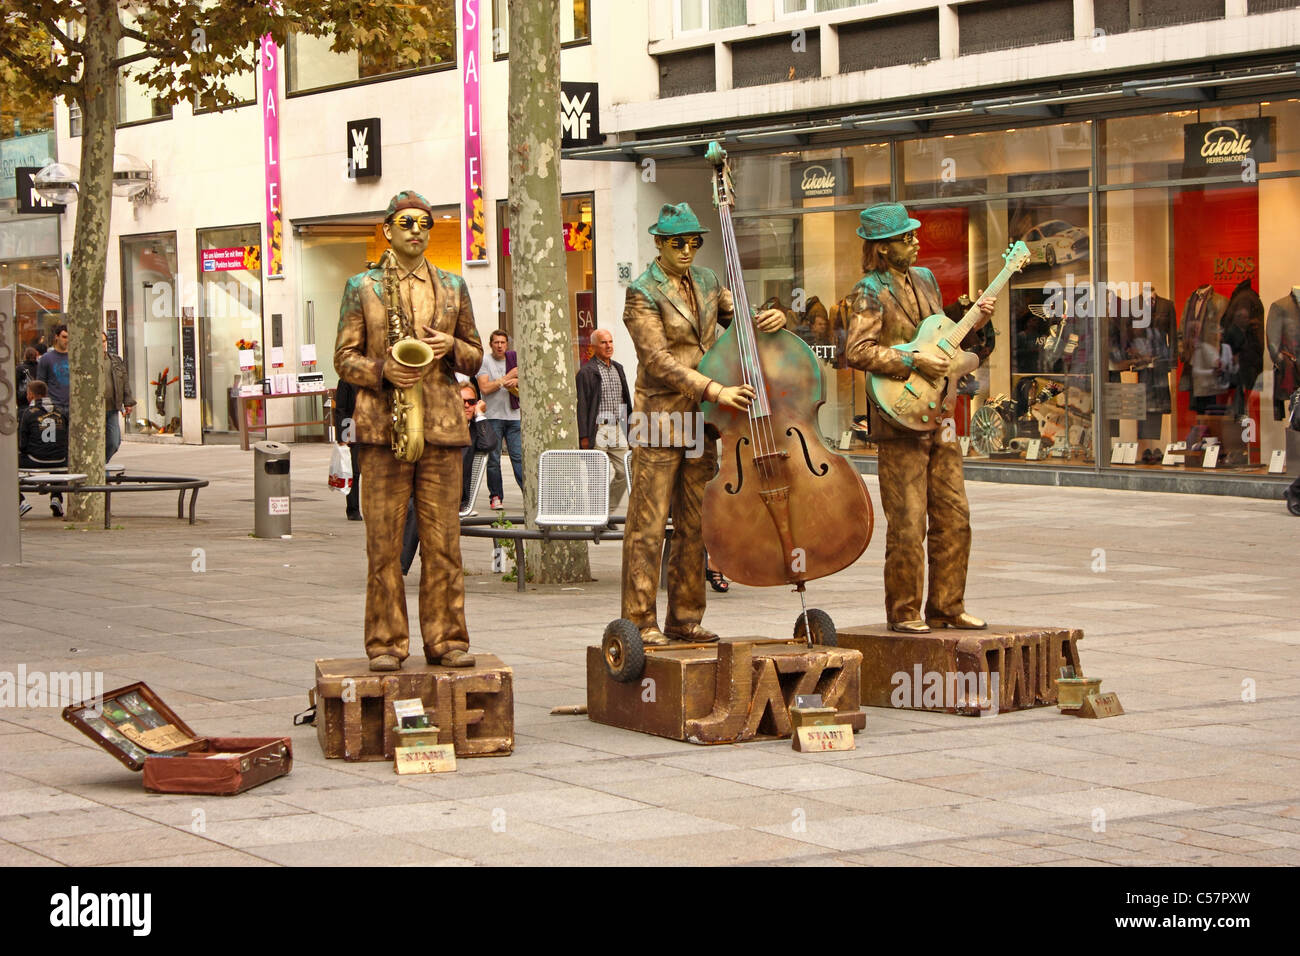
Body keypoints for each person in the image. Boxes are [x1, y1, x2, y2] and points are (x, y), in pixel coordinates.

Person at [621, 202, 785, 646]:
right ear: (659, 242)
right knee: (648, 526)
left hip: (703, 423)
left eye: (695, 241)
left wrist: (769, 319)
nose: (688, 249)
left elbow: (740, 328)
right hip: (657, 419)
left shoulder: (710, 281)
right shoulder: (642, 291)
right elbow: (657, 361)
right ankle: (638, 622)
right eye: (679, 242)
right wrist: (714, 389)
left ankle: (685, 618)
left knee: (696, 525)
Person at [334, 190, 484, 672]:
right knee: (383, 544)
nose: (416, 230)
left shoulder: (454, 285)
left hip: (440, 425)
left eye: (424, 222)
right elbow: (343, 357)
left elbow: (476, 355)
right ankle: (385, 644)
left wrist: (452, 346)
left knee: (445, 543)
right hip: (383, 428)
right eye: (406, 222)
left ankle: (447, 640)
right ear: (388, 230)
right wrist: (381, 372)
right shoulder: (362, 286)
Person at [844, 202, 993, 634]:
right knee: (908, 525)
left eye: (913, 235)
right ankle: (905, 612)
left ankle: (948, 606)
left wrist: (977, 324)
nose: (915, 242)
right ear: (883, 249)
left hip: (939, 412)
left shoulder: (926, 279)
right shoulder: (867, 290)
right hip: (898, 417)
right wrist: (912, 363)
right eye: (905, 238)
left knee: (955, 516)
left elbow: (938, 336)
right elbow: (858, 351)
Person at [402, 382, 498, 575]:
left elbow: (489, 443)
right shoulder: (440, 429)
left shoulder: (474, 431)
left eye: (471, 402)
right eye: (461, 402)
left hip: (453, 495)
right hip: (430, 489)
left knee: (416, 506)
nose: (466, 406)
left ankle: (399, 566)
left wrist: (480, 415)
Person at [576, 328, 632, 514]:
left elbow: (625, 401)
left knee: (625, 471)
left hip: (617, 428)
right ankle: (597, 517)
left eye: (610, 342)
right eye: (603, 342)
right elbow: (582, 405)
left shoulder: (619, 368)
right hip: (598, 429)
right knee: (598, 476)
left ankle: (606, 511)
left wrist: (629, 430)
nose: (608, 346)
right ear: (593, 346)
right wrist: (584, 435)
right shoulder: (586, 372)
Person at [476, 330, 523, 510]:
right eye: (496, 342)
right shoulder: (485, 361)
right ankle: (496, 496)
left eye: (503, 342)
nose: (500, 346)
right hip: (493, 416)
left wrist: (516, 381)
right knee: (494, 459)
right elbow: (485, 388)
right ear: (491, 344)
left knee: (518, 458)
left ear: (507, 344)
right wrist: (506, 378)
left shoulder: (514, 360)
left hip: (514, 416)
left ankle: (528, 494)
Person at [18, 380, 68, 517]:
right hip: (60, 459)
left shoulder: (28, 413)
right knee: (55, 457)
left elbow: (22, 443)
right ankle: (56, 497)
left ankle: (20, 502)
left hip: (36, 459)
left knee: (5, 467)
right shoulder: (60, 411)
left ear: (31, 395)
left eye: (28, 393)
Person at [102, 332, 135, 463]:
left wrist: (128, 402)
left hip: (112, 407)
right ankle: (101, 469)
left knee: (114, 442)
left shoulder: (115, 359)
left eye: (104, 341)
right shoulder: (87, 361)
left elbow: (124, 381)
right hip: (94, 410)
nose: (102, 344)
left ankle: (101, 464)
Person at [333, 378, 363, 520]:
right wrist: (343, 437)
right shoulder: (346, 380)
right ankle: (353, 509)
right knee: (355, 471)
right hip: (353, 427)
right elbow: (341, 410)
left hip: (372, 429)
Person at [36, 324, 70, 410]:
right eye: (64, 337)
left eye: (69, 337)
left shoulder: (76, 358)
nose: (67, 340)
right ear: (56, 337)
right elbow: (40, 384)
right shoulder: (46, 358)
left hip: (73, 405)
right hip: (54, 405)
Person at [16, 347, 39, 413]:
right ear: (36, 356)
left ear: (25, 356)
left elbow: (16, 384)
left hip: (23, 399)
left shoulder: (20, 368)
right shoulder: (40, 367)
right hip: (38, 398)